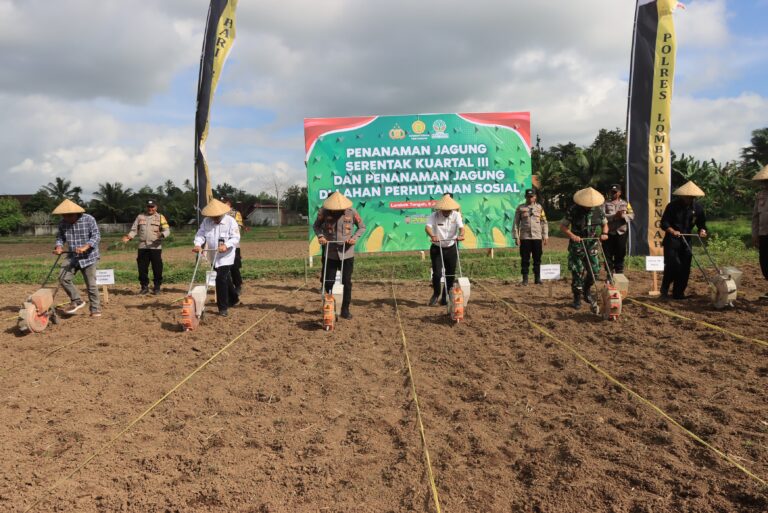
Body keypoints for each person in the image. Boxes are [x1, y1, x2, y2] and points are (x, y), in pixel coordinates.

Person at [313, 191, 366, 319]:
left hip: (347, 253)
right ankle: (330, 308)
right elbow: (316, 226)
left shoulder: (352, 212)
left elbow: (362, 227)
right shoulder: (323, 212)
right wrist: (321, 236)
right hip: (330, 253)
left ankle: (345, 309)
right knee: (328, 282)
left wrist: (354, 238)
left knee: (346, 282)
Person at [52, 199, 102, 317]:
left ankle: (95, 309)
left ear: (76, 213)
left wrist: (86, 246)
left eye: (69, 215)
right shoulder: (62, 223)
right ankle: (77, 300)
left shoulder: (89, 219)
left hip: (89, 257)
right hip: (73, 256)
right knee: (63, 278)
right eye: (64, 215)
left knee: (91, 284)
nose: (66, 218)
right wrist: (59, 247)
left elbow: (96, 236)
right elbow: (60, 237)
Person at [561, 187, 609, 309]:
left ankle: (586, 290)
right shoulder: (573, 210)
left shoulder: (598, 210)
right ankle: (577, 298)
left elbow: (605, 224)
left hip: (592, 243)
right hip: (577, 244)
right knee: (577, 272)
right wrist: (573, 236)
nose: (589, 207)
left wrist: (604, 233)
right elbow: (563, 226)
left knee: (595, 272)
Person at [660, 181, 708, 299]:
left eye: (691, 197)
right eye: (686, 197)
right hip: (672, 240)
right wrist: (672, 231)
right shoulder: (672, 206)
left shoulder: (698, 209)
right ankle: (665, 288)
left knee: (685, 267)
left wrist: (702, 231)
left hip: (687, 240)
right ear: (682, 196)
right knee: (674, 264)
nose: (688, 199)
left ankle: (679, 292)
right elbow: (664, 223)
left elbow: (701, 224)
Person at [193, 199, 241, 317]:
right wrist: (198, 244)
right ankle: (234, 298)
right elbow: (200, 234)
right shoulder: (206, 221)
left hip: (226, 256)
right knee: (225, 278)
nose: (214, 218)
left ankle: (222, 308)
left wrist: (226, 245)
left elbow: (235, 238)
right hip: (213, 255)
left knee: (220, 278)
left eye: (216, 216)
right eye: (212, 216)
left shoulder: (231, 221)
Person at [122, 199, 170, 294]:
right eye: (148, 206)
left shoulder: (160, 217)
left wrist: (162, 234)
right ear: (146, 207)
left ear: (156, 207)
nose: (150, 208)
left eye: (152, 207)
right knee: (142, 268)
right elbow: (134, 230)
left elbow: (167, 230)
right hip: (143, 246)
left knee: (157, 268)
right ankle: (144, 287)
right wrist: (129, 237)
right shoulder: (140, 217)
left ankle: (157, 287)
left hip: (155, 246)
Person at [425, 194, 465, 305]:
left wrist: (461, 235)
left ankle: (445, 296)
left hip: (451, 247)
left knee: (451, 273)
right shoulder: (434, 215)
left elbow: (461, 228)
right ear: (441, 208)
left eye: (449, 210)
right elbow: (427, 227)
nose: (447, 212)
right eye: (445, 210)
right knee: (437, 274)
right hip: (437, 248)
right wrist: (432, 235)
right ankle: (436, 293)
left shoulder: (456, 215)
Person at [513, 188, 548, 285]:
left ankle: (537, 278)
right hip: (525, 237)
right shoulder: (520, 208)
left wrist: (545, 235)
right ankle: (525, 280)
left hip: (537, 237)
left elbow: (544, 222)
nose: (530, 198)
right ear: (525, 197)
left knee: (537, 258)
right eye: (528, 197)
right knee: (525, 259)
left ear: (535, 197)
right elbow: (516, 223)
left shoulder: (540, 208)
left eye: (532, 196)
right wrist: (516, 237)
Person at [602, 184, 634, 274]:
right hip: (608, 232)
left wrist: (623, 216)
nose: (613, 194)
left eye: (615, 192)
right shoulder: (605, 204)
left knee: (620, 252)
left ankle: (619, 271)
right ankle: (609, 272)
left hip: (621, 232)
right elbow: (602, 216)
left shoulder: (626, 203)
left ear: (620, 193)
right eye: (612, 192)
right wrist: (614, 216)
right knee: (607, 253)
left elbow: (632, 215)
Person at [220, 196, 244, 296]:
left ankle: (238, 285)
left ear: (229, 203)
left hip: (233, 244)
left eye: (224, 202)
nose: (221, 204)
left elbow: (238, 228)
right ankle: (226, 287)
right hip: (220, 245)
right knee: (222, 267)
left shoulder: (235, 213)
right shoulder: (218, 213)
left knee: (234, 267)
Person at [752, 165, 768, 298]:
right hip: (763, 234)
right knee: (764, 263)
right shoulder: (760, 195)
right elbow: (755, 217)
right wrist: (754, 234)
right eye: (765, 181)